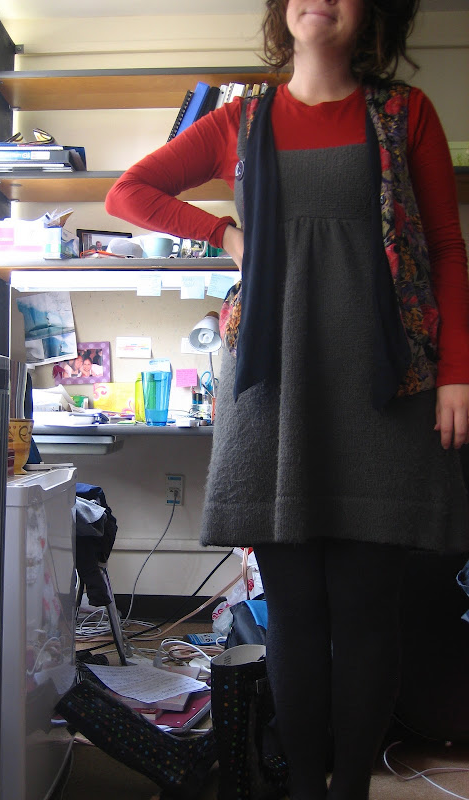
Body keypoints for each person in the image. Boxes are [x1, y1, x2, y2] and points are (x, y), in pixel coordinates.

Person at [105, 1, 469, 798]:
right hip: (275, 386)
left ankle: (351, 791)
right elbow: (129, 193)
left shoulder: (405, 114)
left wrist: (457, 374)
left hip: (387, 389)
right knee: (295, 614)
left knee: (368, 611)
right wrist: (224, 235)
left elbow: (446, 246)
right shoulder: (241, 121)